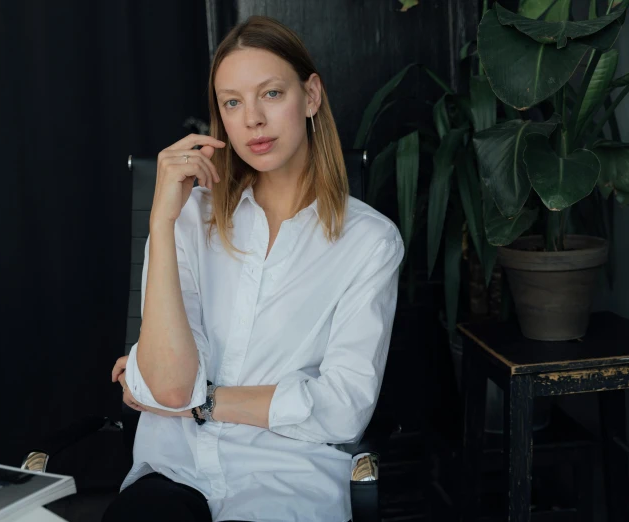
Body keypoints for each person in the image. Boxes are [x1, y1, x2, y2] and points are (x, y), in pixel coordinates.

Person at [102, 15, 404, 522]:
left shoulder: (370, 242)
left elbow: (343, 408)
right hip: (174, 468)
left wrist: (203, 404)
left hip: (287, 475)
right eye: (233, 102)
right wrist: (161, 217)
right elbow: (170, 386)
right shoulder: (185, 218)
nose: (252, 121)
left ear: (310, 96)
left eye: (271, 94)